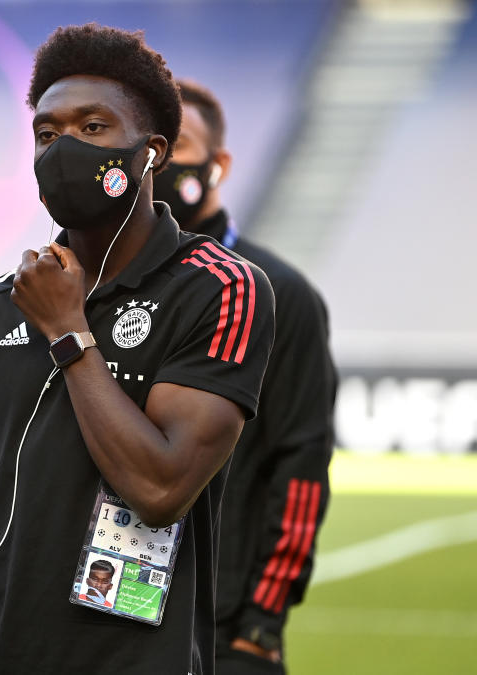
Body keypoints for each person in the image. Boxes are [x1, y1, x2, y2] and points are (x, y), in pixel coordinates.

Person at [0, 24, 276, 675]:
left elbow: (161, 485)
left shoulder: (220, 288)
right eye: (47, 133)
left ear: (152, 153)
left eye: (92, 128)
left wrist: (68, 332)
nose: (64, 148)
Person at [152, 80, 336, 674]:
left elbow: (301, 462)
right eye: (148, 145)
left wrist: (261, 622)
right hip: (111, 614)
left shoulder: (281, 295)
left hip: (224, 626)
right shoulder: (99, 289)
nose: (159, 161)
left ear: (219, 163)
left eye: (177, 145)